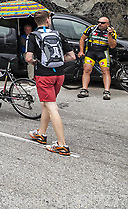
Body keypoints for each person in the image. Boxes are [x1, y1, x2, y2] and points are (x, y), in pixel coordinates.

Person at [25, 10, 76, 156]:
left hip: (44, 75)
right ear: (48, 20)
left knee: (52, 106)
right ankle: (41, 133)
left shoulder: (33, 36)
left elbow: (28, 58)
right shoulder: (58, 34)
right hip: (59, 74)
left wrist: (37, 61)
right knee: (46, 103)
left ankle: (61, 144)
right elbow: (71, 56)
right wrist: (59, 61)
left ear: (37, 22)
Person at [77, 16, 117, 100]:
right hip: (91, 52)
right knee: (86, 69)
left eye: (102, 23)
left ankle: (106, 91)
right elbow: (82, 39)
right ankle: (84, 89)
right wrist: (81, 51)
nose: (100, 24)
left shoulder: (112, 32)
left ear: (108, 24)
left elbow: (112, 46)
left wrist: (109, 34)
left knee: (105, 70)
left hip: (102, 53)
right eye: (98, 22)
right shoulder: (91, 29)